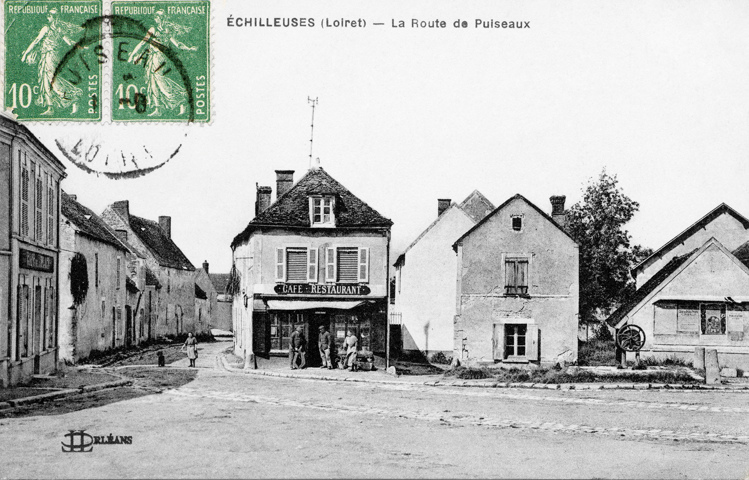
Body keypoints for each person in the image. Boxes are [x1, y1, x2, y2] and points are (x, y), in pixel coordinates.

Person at [126, 10, 197, 117]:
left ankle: (182, 99)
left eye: (160, 17)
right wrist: (133, 55)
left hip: (161, 59)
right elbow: (143, 42)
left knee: (162, 83)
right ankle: (158, 108)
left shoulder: (167, 31)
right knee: (153, 82)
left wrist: (189, 48)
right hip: (153, 58)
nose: (158, 19)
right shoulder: (153, 30)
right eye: (157, 17)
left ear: (163, 18)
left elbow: (177, 44)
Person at [20, 8, 83, 116]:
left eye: (50, 15)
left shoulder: (47, 28)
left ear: (53, 17)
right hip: (48, 56)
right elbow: (68, 41)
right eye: (48, 14)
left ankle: (73, 96)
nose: (48, 16)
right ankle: (51, 107)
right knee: (46, 79)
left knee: (51, 79)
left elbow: (36, 41)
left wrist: (26, 54)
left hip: (50, 56)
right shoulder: (58, 29)